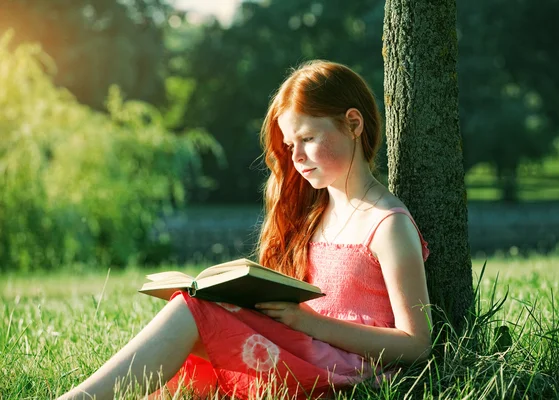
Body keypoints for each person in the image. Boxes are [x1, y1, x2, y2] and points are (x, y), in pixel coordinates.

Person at [57, 60, 432, 400]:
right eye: (289, 145)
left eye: (308, 139)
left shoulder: (388, 225)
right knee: (194, 304)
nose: (296, 156)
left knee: (191, 313)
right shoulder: (318, 212)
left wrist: (309, 323)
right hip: (307, 348)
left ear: (353, 124)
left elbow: (417, 344)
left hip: (346, 372)